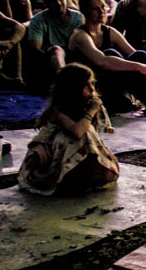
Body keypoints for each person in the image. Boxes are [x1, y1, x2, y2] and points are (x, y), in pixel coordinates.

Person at [18, 63, 120, 196]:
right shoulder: (57, 112)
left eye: (92, 84)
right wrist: (92, 111)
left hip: (74, 162)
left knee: (88, 134)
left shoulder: (84, 108)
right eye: (86, 85)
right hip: (47, 168)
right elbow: (77, 132)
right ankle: (67, 180)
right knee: (82, 133)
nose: (92, 89)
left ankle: (84, 176)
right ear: (73, 89)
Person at [67, 0, 146, 113]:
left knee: (141, 54)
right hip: (90, 83)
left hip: (112, 80)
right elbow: (102, 61)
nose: (102, 11)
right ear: (85, 12)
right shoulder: (80, 36)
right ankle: (118, 98)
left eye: (103, 6)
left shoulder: (109, 31)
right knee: (111, 54)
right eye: (96, 9)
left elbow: (135, 55)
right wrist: (139, 67)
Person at [26, 0, 83, 82]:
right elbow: (35, 48)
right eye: (52, 1)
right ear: (46, 4)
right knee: (57, 50)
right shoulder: (38, 20)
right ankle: (63, 82)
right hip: (50, 59)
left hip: (77, 56)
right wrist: (52, 53)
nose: (58, 3)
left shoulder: (79, 18)